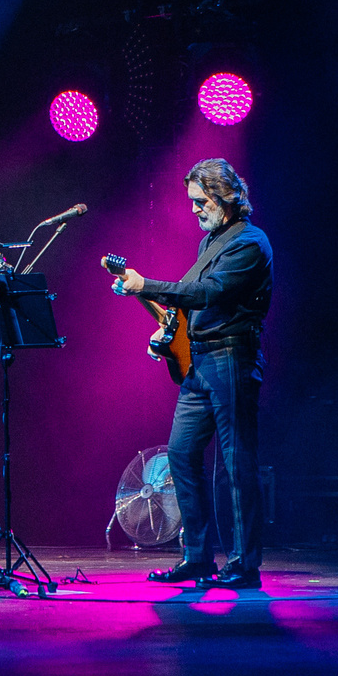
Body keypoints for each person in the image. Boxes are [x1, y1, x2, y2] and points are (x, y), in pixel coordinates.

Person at [115, 157, 273, 588]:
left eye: (201, 201)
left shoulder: (249, 243)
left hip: (231, 360)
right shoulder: (210, 243)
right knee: (181, 455)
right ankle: (198, 557)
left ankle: (244, 565)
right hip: (200, 363)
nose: (194, 209)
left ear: (226, 198)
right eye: (192, 201)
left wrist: (145, 285)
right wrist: (166, 335)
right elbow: (190, 307)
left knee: (235, 464)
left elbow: (207, 293)